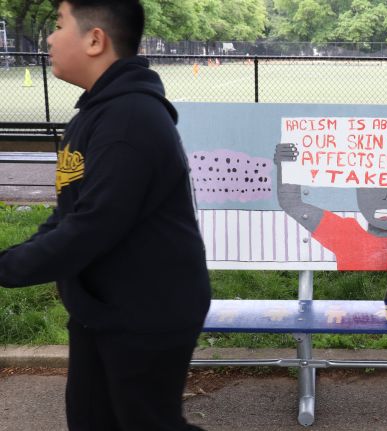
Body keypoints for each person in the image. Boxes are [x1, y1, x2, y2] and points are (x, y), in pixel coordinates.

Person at [0, 1, 211, 429]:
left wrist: (8, 268)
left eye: (59, 26)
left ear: (95, 39)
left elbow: (93, 226)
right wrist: (14, 257)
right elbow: (68, 214)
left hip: (148, 311)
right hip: (102, 307)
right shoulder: (95, 115)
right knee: (93, 419)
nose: (50, 38)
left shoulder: (131, 119)